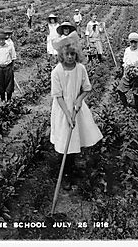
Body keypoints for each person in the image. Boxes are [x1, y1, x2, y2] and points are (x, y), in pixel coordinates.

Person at [50, 31, 103, 190]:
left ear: (77, 54)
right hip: (62, 110)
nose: (70, 57)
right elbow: (58, 96)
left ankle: (72, 168)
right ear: (61, 55)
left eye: (73, 54)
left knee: (74, 139)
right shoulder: (57, 71)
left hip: (76, 109)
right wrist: (67, 115)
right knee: (63, 140)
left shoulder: (80, 69)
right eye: (67, 54)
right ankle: (64, 173)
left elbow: (87, 88)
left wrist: (79, 100)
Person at [117, 32, 138, 112]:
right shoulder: (127, 50)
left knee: (136, 94)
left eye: (135, 42)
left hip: (136, 77)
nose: (133, 44)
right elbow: (125, 62)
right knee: (120, 90)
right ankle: (126, 106)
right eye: (132, 42)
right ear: (129, 42)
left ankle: (137, 110)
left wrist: (137, 70)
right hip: (127, 75)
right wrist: (125, 71)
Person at [0, 31, 17, 102]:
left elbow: (13, 58)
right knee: (0, 84)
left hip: (8, 67)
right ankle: (2, 100)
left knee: (9, 84)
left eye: (2, 39)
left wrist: (12, 68)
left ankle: (9, 100)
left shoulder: (9, 47)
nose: (1, 41)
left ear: (5, 40)